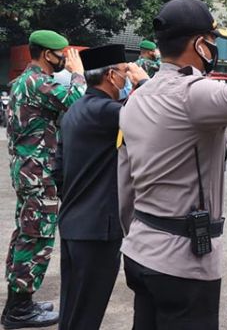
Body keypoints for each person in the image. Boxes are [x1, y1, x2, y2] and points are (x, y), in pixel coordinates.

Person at [117, 0, 227, 329]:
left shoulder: (136, 98)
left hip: (140, 250)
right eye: (212, 43)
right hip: (182, 262)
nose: (214, 50)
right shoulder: (193, 93)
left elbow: (124, 179)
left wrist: (135, 233)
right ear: (199, 43)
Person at [57, 44, 149, 330]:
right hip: (97, 230)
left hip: (74, 222)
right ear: (111, 75)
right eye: (124, 72)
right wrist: (144, 82)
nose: (126, 77)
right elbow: (153, 113)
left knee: (73, 308)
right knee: (87, 315)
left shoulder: (74, 111)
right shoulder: (107, 112)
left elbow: (58, 169)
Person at [3, 30, 86, 328]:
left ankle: (19, 302)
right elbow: (77, 100)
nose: (65, 57)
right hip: (37, 171)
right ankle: (18, 311)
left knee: (26, 232)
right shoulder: (38, 82)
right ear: (46, 54)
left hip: (28, 169)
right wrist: (78, 74)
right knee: (36, 236)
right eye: (61, 53)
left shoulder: (24, 81)